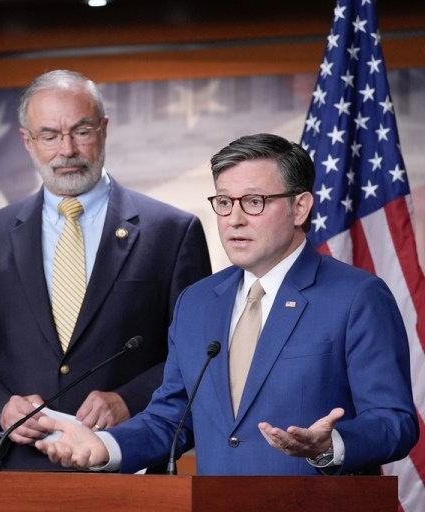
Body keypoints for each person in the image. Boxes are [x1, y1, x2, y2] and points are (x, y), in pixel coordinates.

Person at [36, 133, 418, 475]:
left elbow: (395, 421)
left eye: (254, 202)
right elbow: (172, 419)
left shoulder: (357, 297)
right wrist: (105, 446)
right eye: (223, 202)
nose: (233, 219)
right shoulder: (197, 302)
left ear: (300, 208)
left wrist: (329, 445)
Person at [0, 70, 211, 470]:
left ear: (104, 129)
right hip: (20, 473)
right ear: (27, 141)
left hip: (127, 465)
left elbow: (199, 354)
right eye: (49, 135)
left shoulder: (172, 232)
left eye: (81, 131)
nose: (68, 149)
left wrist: (129, 399)